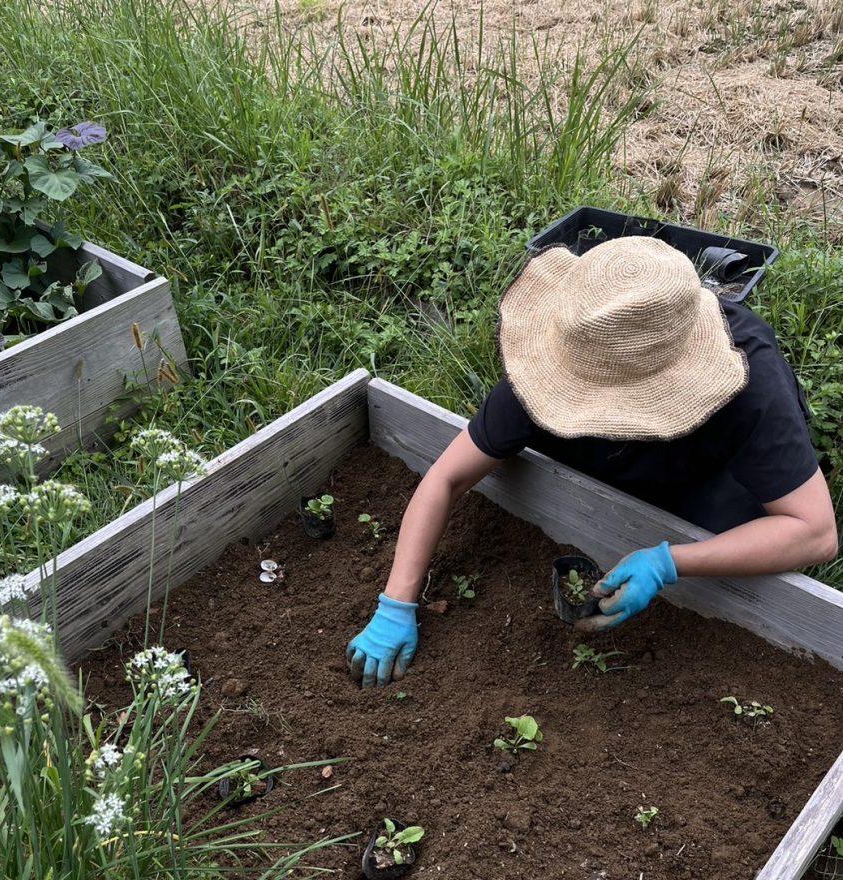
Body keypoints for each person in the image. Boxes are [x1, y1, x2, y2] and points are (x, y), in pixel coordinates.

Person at [346, 236, 838, 687]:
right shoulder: (555, 359)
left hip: (709, 482)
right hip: (610, 465)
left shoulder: (748, 383)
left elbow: (814, 531)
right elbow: (447, 478)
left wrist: (670, 562)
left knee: (730, 532)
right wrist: (396, 603)